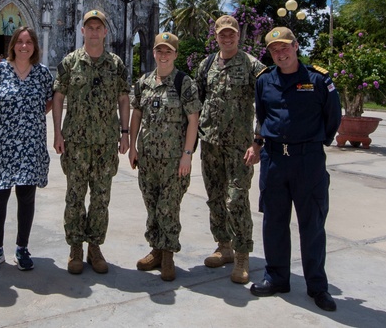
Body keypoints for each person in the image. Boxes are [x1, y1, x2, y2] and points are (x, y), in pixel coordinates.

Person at [246, 27, 341, 313]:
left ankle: (317, 286)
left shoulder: (318, 79)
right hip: (274, 161)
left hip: (307, 161)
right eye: (274, 50)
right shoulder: (264, 81)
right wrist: (260, 143)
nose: (280, 53)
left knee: (312, 224)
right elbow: (262, 115)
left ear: (296, 46)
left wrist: (313, 144)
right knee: (274, 222)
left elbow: (333, 117)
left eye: (285, 47)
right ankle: (276, 278)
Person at [51, 9, 130, 275]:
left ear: (105, 32)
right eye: (90, 27)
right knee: (74, 196)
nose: (94, 31)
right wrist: (57, 133)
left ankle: (94, 246)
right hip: (75, 142)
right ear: (82, 31)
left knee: (101, 198)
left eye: (99, 27)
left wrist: (125, 132)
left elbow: (123, 99)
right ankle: (75, 247)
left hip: (106, 143)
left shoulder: (116, 64)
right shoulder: (70, 62)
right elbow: (59, 97)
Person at [196, 15, 266, 284]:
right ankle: (223, 246)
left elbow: (266, 104)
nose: (227, 38)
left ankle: (242, 255)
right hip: (210, 144)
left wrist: (257, 140)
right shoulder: (207, 64)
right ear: (216, 36)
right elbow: (198, 101)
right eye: (222, 34)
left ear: (239, 35)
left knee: (236, 199)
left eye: (231, 34)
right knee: (214, 198)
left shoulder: (252, 65)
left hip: (240, 147)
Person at [128, 32, 201, 281]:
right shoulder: (144, 82)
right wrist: (134, 146)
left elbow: (193, 121)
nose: (163, 55)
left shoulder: (184, 83)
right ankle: (156, 249)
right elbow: (136, 113)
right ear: (154, 53)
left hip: (174, 160)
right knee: (152, 205)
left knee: (168, 207)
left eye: (168, 51)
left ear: (176, 54)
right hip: (147, 157)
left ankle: (168, 253)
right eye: (159, 50)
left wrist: (187, 155)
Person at [0, 27, 54, 272]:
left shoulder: (42, 74)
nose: (24, 46)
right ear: (12, 45)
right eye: (20, 42)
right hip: (1, 143)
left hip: (30, 144)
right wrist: (4, 121)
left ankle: (22, 248)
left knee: (26, 196)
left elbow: (50, 101)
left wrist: (28, 120)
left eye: (29, 42)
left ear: (35, 46)